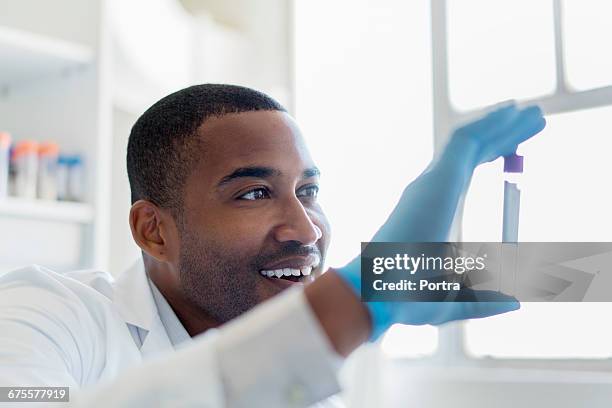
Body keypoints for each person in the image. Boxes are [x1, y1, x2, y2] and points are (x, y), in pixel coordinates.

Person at [0, 84, 545, 407]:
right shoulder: (46, 314)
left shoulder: (330, 360)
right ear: (153, 231)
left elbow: (580, 273)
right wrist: (356, 303)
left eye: (308, 190)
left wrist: (549, 273)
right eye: (255, 192)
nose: (306, 230)